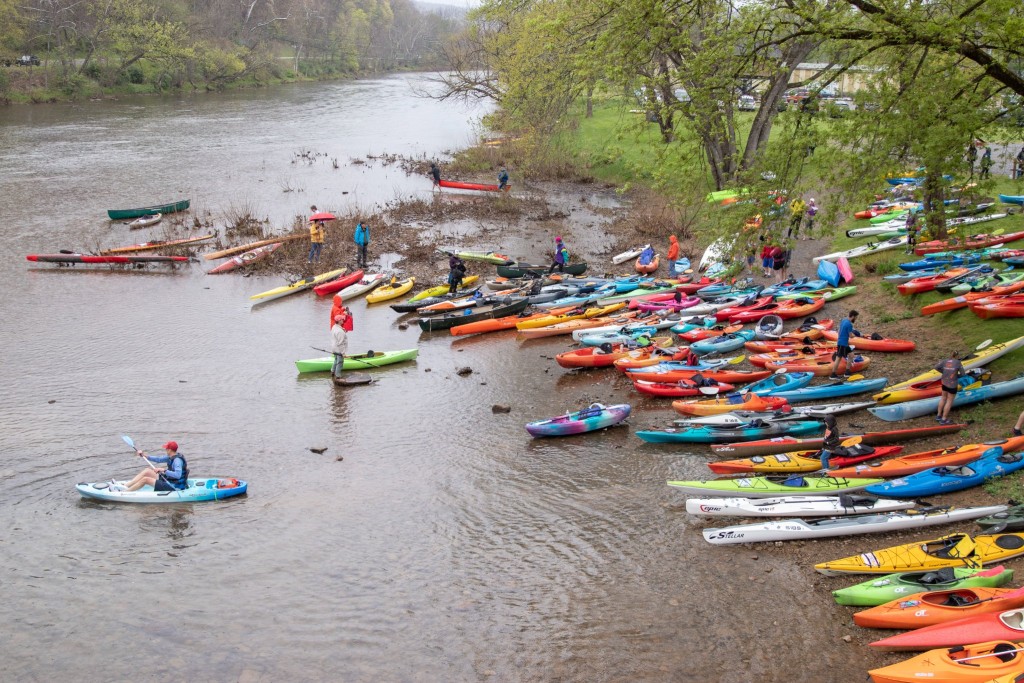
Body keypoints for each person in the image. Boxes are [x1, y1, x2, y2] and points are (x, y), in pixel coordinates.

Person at [115, 441, 189, 492]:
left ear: (170, 450)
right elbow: (158, 459)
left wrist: (164, 470)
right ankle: (126, 485)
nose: (165, 449)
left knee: (145, 480)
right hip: (170, 480)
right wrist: (144, 455)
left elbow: (178, 475)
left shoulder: (177, 461)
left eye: (166, 448)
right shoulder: (171, 456)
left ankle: (124, 492)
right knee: (147, 471)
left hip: (174, 486)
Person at [935, 350, 965, 424]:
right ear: (957, 356)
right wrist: (956, 375)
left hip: (944, 383)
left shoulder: (945, 361)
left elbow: (936, 367)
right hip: (952, 385)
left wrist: (944, 372)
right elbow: (963, 374)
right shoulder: (958, 363)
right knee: (949, 401)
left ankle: (938, 416)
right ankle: (944, 419)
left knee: (943, 398)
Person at [829, 309, 860, 379]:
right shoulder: (849, 324)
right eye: (856, 317)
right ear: (853, 316)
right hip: (843, 344)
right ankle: (833, 374)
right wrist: (856, 335)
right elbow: (851, 336)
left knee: (851, 355)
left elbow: (839, 331)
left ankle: (847, 372)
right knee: (838, 358)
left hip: (842, 342)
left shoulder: (843, 320)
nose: (856, 319)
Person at [331, 312, 350, 378]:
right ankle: (338, 376)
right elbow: (341, 343)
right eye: (342, 319)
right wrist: (343, 353)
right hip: (339, 350)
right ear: (339, 321)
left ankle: (332, 372)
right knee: (340, 362)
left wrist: (343, 330)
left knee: (336, 360)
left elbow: (337, 333)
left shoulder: (334, 327)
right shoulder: (340, 331)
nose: (343, 320)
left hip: (334, 348)